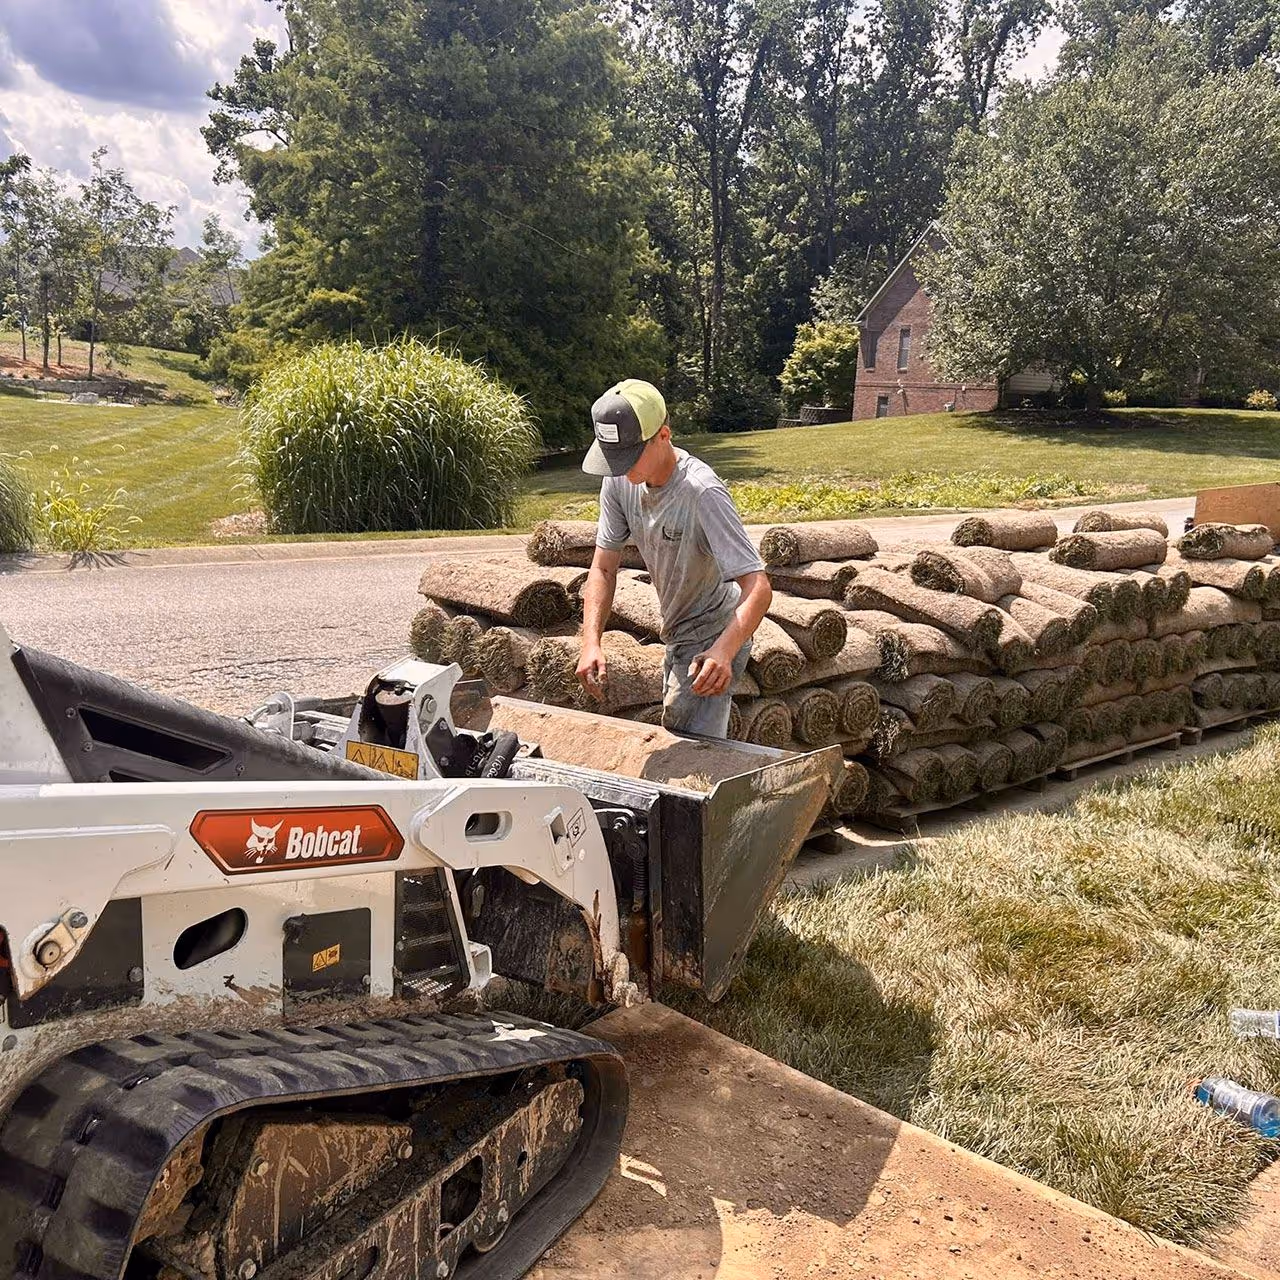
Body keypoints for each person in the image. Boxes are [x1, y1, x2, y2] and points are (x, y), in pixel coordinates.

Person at [575, 378, 771, 737]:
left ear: (663, 435)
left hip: (714, 631)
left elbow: (758, 587)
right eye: (613, 458)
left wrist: (724, 651)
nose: (620, 468)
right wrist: (591, 642)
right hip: (678, 630)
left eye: (630, 457)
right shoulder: (619, 481)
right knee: (683, 741)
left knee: (690, 753)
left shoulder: (701, 492)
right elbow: (603, 567)